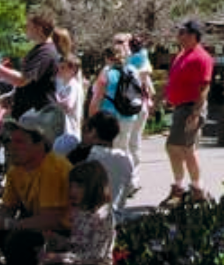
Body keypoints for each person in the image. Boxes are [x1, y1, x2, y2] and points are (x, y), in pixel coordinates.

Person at [0, 107, 71, 265]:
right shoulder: (16, 169)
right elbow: (7, 207)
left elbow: (50, 220)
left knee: (18, 241)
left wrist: (10, 224)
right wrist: (4, 219)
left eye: (19, 141)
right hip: (39, 224)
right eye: (11, 140)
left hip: (65, 231)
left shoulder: (53, 168)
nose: (11, 146)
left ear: (39, 144)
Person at [161, 19, 214, 206]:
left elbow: (204, 87)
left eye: (182, 32)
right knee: (185, 149)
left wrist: (196, 113)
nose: (179, 36)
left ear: (193, 35)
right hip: (180, 107)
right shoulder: (182, 54)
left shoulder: (201, 57)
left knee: (175, 147)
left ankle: (184, 189)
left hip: (190, 107)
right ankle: (193, 189)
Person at [40, 160, 115, 265]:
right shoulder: (80, 210)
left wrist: (60, 257)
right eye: (71, 186)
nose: (72, 191)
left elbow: (96, 255)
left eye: (79, 186)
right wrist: (60, 241)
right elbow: (78, 244)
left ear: (93, 187)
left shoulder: (102, 217)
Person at [67, 111, 136, 216]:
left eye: (85, 130)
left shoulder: (85, 157)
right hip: (116, 216)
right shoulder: (126, 158)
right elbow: (129, 189)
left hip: (86, 220)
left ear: (93, 132)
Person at [0, 11, 60, 120]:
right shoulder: (39, 50)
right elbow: (31, 84)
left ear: (40, 28)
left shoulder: (46, 52)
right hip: (29, 117)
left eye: (29, 25)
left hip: (38, 120)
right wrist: (11, 97)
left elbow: (22, 80)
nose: (25, 28)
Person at [88, 45, 137, 155]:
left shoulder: (106, 73)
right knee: (123, 149)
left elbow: (97, 97)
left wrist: (91, 117)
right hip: (128, 115)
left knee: (109, 150)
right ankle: (126, 170)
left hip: (109, 116)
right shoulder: (132, 71)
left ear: (107, 58)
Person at [124, 34, 154, 172]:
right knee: (128, 141)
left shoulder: (139, 58)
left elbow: (145, 72)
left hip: (136, 104)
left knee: (133, 140)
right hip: (130, 104)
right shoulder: (132, 59)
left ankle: (133, 175)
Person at [53, 55, 84, 156]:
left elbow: (68, 106)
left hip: (70, 133)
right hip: (64, 132)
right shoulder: (64, 84)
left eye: (63, 68)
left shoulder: (73, 86)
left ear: (73, 70)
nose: (59, 70)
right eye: (59, 67)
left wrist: (53, 97)